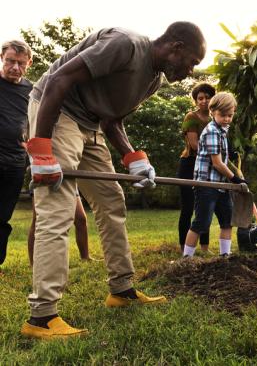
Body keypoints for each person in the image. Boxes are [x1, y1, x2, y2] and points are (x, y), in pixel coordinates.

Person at [21, 22, 206, 339]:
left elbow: (111, 118)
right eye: (191, 62)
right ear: (176, 47)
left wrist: (134, 159)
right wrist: (41, 149)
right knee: (59, 206)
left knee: (112, 202)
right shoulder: (126, 45)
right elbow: (57, 79)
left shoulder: (153, 80)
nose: (190, 72)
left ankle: (121, 290)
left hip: (91, 124)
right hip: (57, 110)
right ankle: (41, 317)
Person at [183, 92, 246, 257]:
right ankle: (186, 258)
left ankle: (225, 256)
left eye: (230, 115)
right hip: (207, 185)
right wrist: (234, 178)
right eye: (223, 115)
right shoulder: (212, 131)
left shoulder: (222, 130)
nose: (227, 119)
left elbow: (222, 157)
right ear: (212, 112)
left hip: (221, 185)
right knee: (201, 223)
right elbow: (217, 163)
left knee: (227, 221)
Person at [0, 40, 33, 267]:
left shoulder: (32, 90)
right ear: (2, 57)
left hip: (15, 163)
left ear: (28, 63)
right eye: (10, 61)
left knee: (2, 217)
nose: (15, 67)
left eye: (21, 63)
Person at [177, 83, 216, 252]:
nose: (204, 101)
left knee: (204, 207)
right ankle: (183, 248)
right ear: (195, 101)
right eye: (200, 98)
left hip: (209, 165)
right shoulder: (191, 117)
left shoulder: (217, 118)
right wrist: (216, 157)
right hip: (190, 164)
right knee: (188, 208)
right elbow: (194, 145)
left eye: (207, 97)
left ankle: (205, 248)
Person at [28, 188, 92, 265]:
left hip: (68, 183)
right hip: (44, 181)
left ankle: (85, 257)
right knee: (37, 219)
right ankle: (33, 263)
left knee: (80, 218)